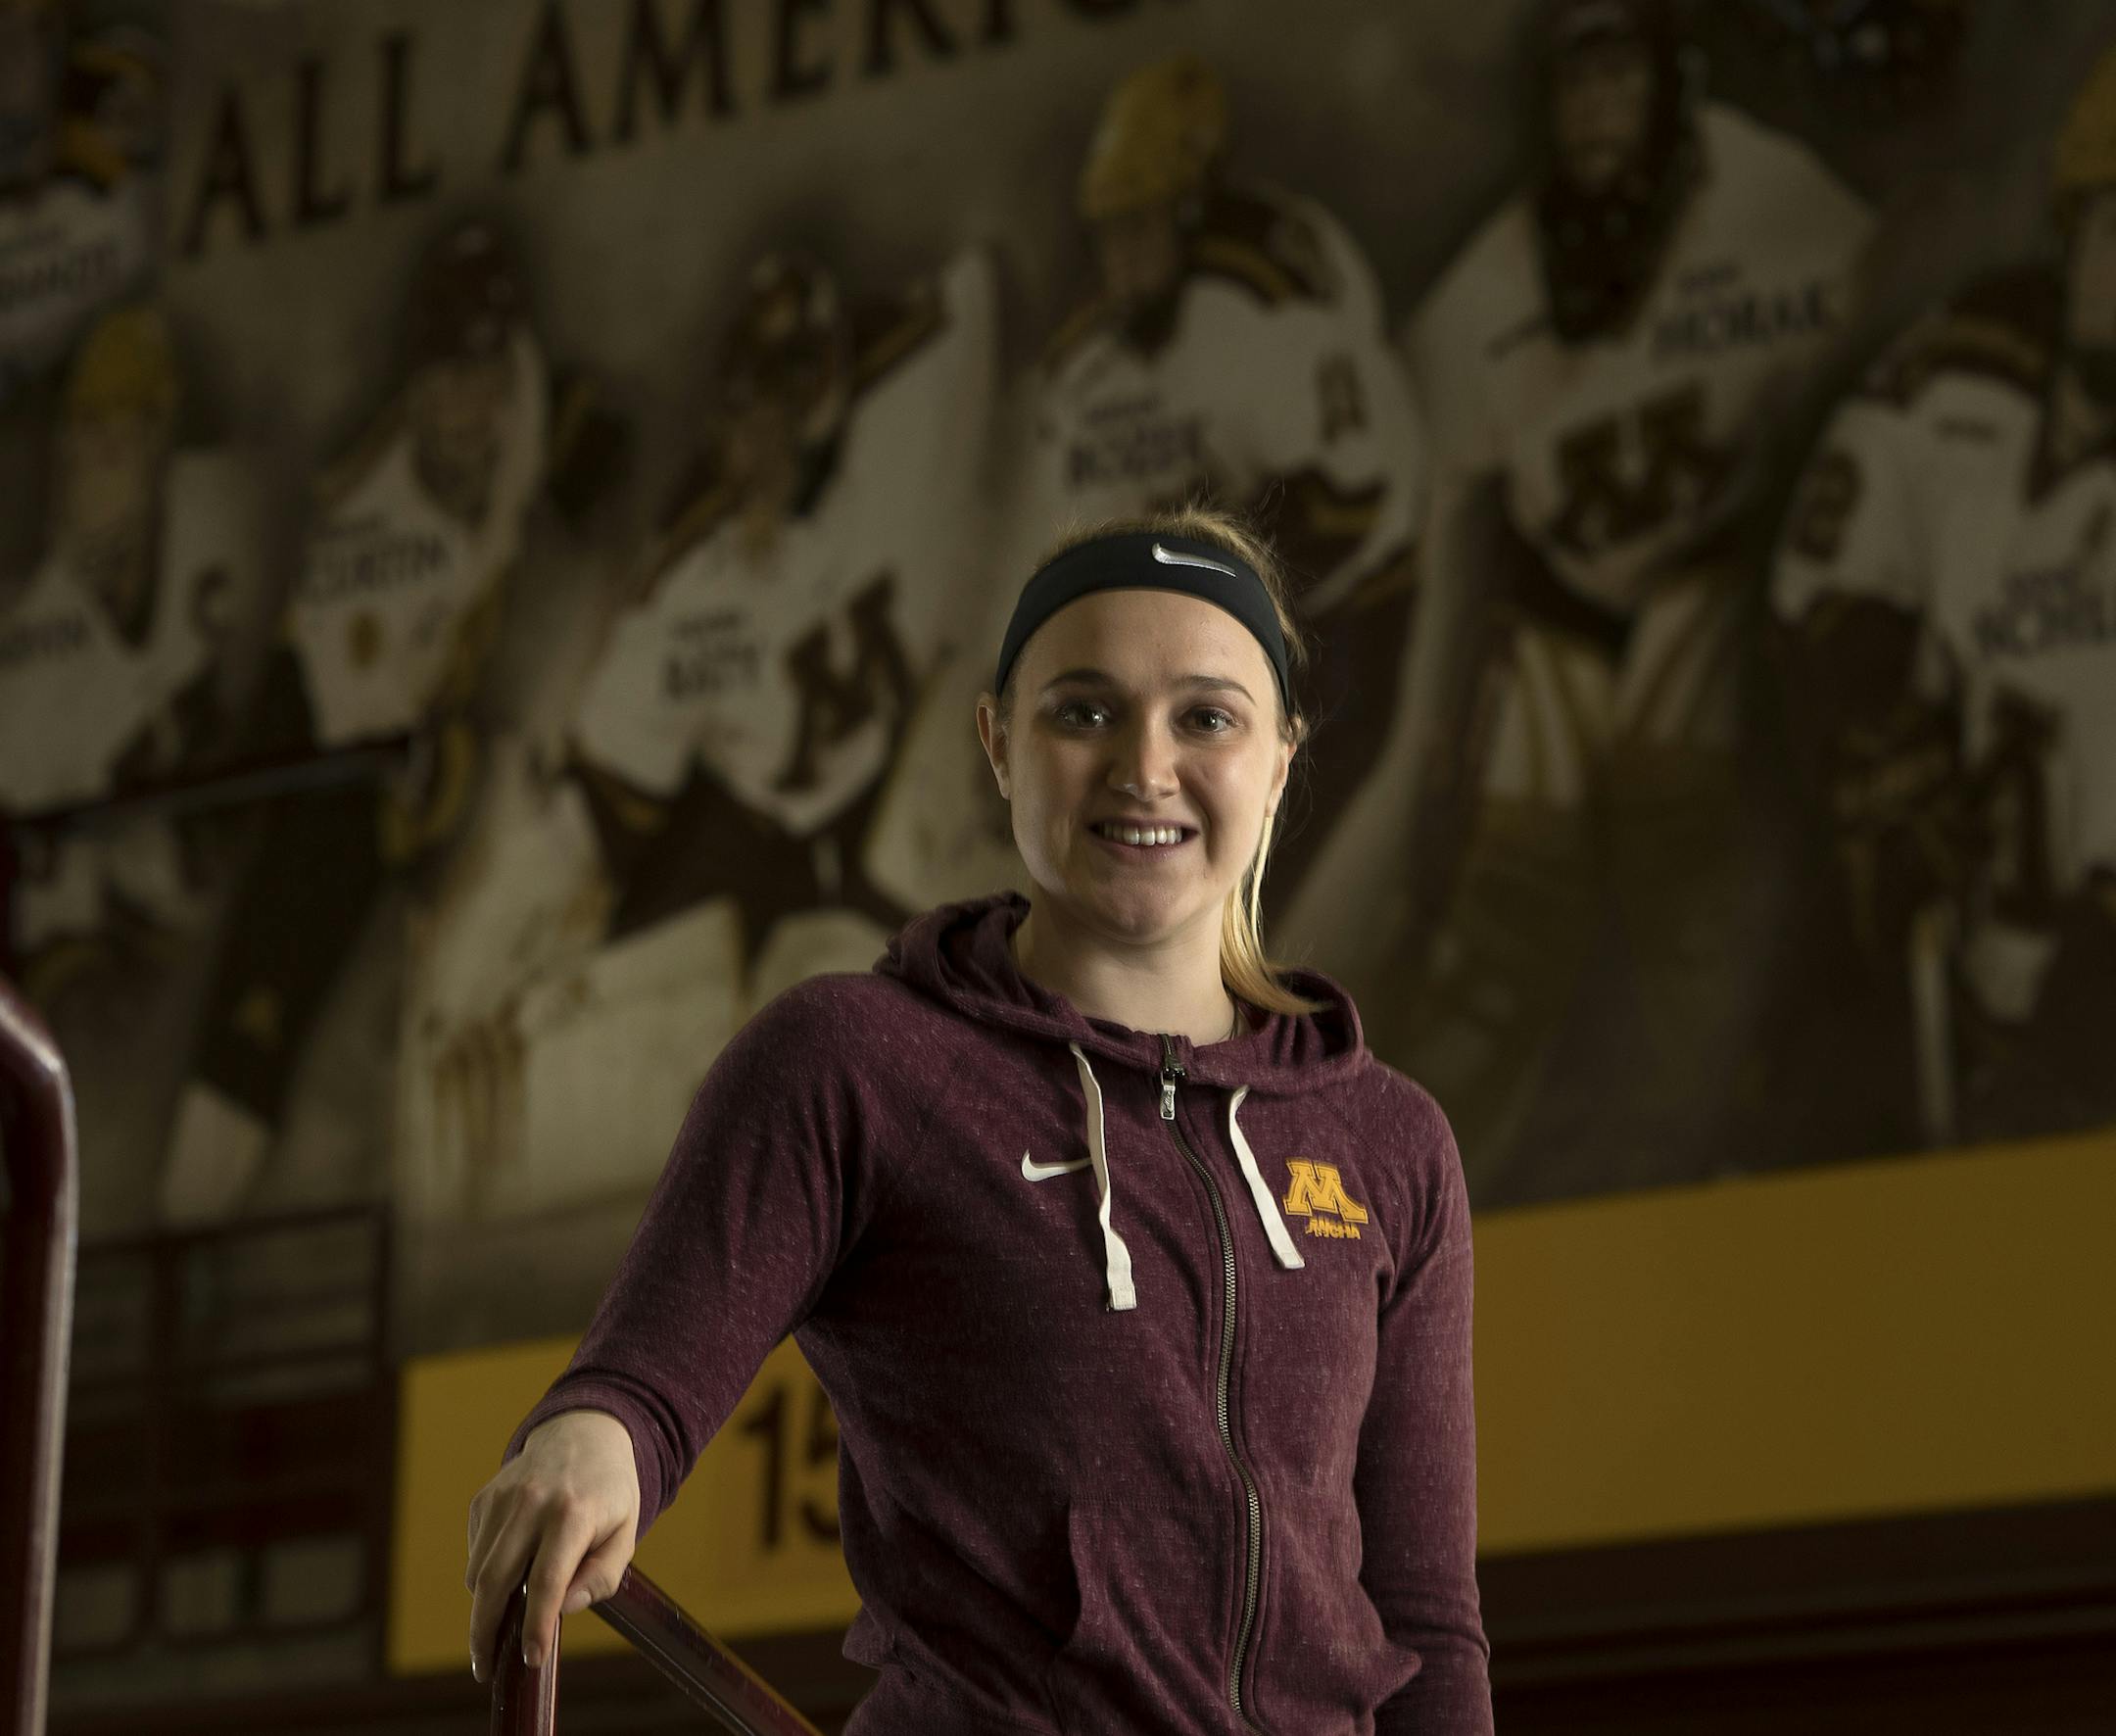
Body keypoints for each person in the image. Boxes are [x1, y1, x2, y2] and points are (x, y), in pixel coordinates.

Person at [463, 506, 1492, 1734]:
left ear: (1278, 762)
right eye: (1084, 710)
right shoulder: (855, 1061)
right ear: (999, 742)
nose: (1144, 766)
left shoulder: (1388, 1140)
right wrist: (588, 1439)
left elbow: (1427, 1621)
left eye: (1207, 717)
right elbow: (639, 1389)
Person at [1287, 0, 1873, 1204]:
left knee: (1687, 813)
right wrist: (1433, 733)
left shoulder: (1782, 206)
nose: (1599, 116)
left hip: (1732, 569)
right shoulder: (1486, 293)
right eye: (1577, 88)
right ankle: (1450, 1181)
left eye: (1621, 80)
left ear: (1673, 88)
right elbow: (1447, 518)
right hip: (1560, 605)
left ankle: (1720, 1121)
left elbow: (1865, 402)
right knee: (1511, 895)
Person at [1771, 41, 2116, 1145]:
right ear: (2073, 229)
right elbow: (1823, 593)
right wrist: (1877, 737)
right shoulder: (1956, 378)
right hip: (1952, 989)